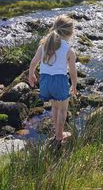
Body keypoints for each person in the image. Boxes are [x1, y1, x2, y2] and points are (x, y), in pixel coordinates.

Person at [28, 15, 77, 143]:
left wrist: (31, 75)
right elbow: (72, 72)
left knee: (54, 108)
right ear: (70, 33)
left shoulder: (43, 45)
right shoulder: (69, 50)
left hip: (45, 82)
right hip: (59, 81)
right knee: (63, 109)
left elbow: (33, 63)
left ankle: (57, 132)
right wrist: (74, 85)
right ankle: (60, 136)